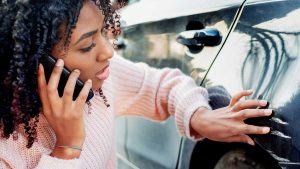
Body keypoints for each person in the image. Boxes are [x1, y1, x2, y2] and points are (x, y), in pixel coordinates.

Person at [0, 0, 273, 168]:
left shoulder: (101, 80)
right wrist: (67, 148)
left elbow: (161, 85)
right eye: (87, 46)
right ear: (36, 62)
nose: (108, 52)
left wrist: (198, 116)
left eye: (105, 33)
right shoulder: (7, 146)